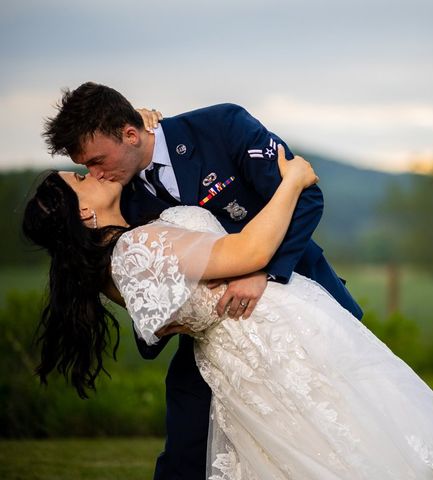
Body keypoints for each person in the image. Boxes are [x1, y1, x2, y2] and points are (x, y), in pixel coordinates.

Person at [23, 147, 433, 479]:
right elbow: (250, 250)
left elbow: (173, 316)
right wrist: (291, 182)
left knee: (315, 445)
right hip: (277, 337)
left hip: (241, 361)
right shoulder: (139, 246)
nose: (91, 173)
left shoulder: (112, 267)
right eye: (79, 180)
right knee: (354, 435)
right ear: (83, 215)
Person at [41, 82, 362, 480]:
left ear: (129, 133)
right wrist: (154, 326)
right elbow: (122, 272)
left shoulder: (220, 125)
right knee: (186, 456)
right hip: (216, 341)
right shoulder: (116, 197)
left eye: (97, 160)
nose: (95, 173)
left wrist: (263, 272)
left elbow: (305, 196)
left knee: (342, 429)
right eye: (86, 168)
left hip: (297, 306)